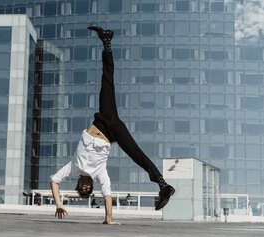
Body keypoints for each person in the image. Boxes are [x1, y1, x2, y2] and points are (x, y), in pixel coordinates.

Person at [50, 26, 175, 224]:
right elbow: (107, 196)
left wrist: (58, 203)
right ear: (91, 187)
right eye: (87, 190)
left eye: (81, 188)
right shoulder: (100, 175)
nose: (84, 187)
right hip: (113, 131)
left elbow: (54, 181)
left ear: (78, 183)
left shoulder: (73, 168)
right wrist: (108, 219)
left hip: (103, 120)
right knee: (137, 155)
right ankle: (163, 184)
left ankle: (106, 41)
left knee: (107, 81)